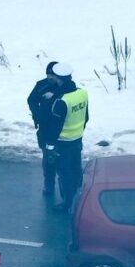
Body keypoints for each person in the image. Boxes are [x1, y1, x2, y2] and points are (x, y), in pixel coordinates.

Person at [46, 63, 89, 212]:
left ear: (58, 78)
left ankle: (67, 203)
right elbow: (86, 116)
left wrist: (50, 145)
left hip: (63, 142)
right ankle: (81, 197)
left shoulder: (62, 101)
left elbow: (55, 127)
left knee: (64, 173)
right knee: (76, 168)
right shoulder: (82, 93)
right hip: (77, 139)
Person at [26, 61, 63, 198]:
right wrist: (38, 114)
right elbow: (31, 100)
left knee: (61, 159)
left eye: (52, 74)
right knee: (48, 158)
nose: (49, 77)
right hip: (45, 130)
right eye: (48, 74)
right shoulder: (41, 85)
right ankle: (49, 185)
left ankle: (64, 187)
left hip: (60, 129)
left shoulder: (63, 87)